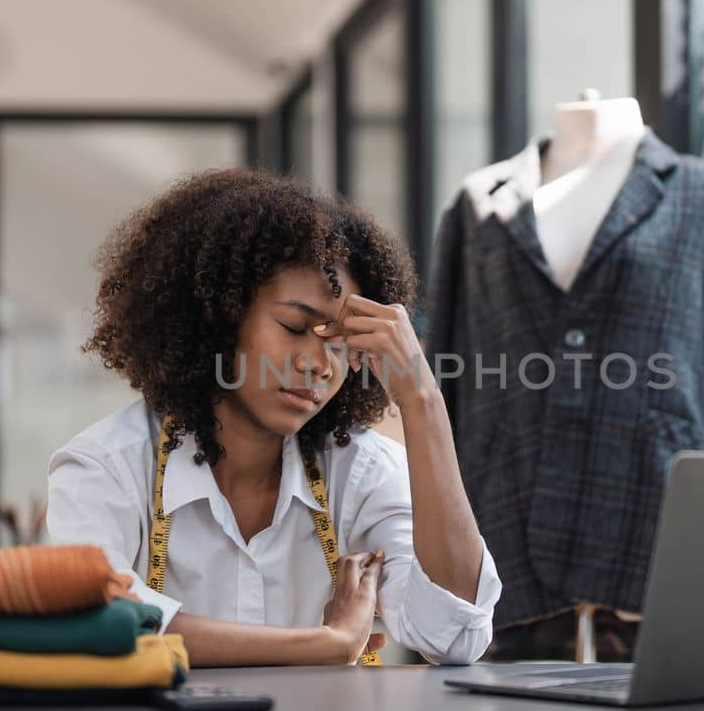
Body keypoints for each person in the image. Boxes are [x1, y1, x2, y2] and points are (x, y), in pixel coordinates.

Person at [46, 169, 499, 666]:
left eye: (340, 341)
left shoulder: (364, 473)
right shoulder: (106, 468)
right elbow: (98, 621)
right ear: (219, 315)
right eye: (293, 326)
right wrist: (322, 645)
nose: (317, 362)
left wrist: (422, 401)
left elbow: (453, 638)